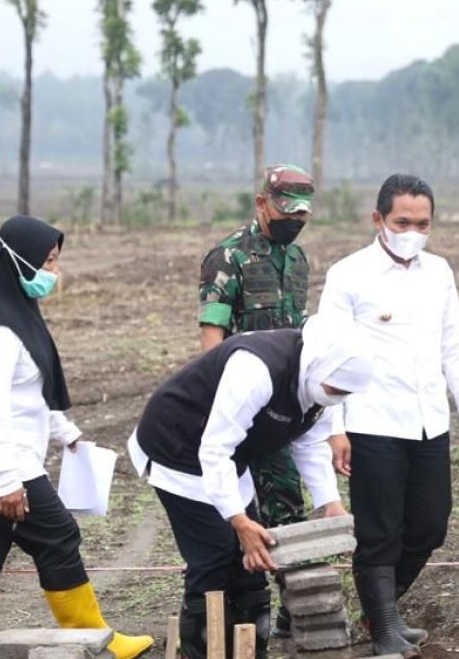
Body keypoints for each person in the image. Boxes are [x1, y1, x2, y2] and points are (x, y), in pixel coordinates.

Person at [0, 215, 152, 659]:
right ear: (15, 263)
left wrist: (66, 434)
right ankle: (97, 639)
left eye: (55, 261)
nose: (52, 273)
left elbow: (28, 394)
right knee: (57, 535)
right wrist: (6, 480)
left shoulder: (17, 317)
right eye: (46, 262)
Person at [127, 314, 373, 659]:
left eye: (345, 393)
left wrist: (329, 501)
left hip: (231, 456)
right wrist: (238, 519)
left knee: (253, 561)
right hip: (179, 448)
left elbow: (312, 441)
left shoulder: (324, 381)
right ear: (319, 367)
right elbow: (214, 449)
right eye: (335, 389)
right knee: (213, 557)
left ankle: (248, 651)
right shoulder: (255, 369)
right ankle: (200, 651)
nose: (336, 397)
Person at [318, 173, 459, 658]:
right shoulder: (348, 274)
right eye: (403, 221)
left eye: (423, 223)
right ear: (379, 220)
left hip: (428, 420)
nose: (413, 231)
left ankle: (381, 610)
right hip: (371, 422)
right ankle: (385, 630)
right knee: (378, 531)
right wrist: (335, 426)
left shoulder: (440, 272)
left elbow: (455, 346)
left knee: (431, 524)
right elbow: (327, 357)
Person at [196, 163, 315, 636]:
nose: (295, 222)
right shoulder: (227, 258)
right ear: (262, 203)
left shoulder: (300, 260)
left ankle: (291, 611)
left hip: (283, 407)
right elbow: (213, 338)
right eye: (287, 212)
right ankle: (240, 610)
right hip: (240, 406)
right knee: (235, 510)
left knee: (286, 504)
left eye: (302, 216)